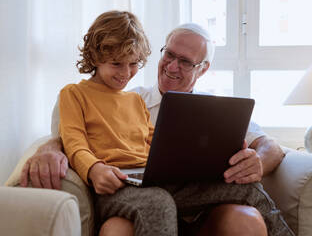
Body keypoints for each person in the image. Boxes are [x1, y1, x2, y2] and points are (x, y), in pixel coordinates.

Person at [20, 13, 293, 236]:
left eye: (133, 64)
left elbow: (157, 142)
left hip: (154, 182)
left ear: (203, 68)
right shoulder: (76, 94)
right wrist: (91, 168)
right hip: (120, 184)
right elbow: (74, 139)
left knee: (244, 188)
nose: (126, 73)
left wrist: (198, 161)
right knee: (157, 202)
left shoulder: (134, 101)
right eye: (117, 63)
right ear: (95, 56)